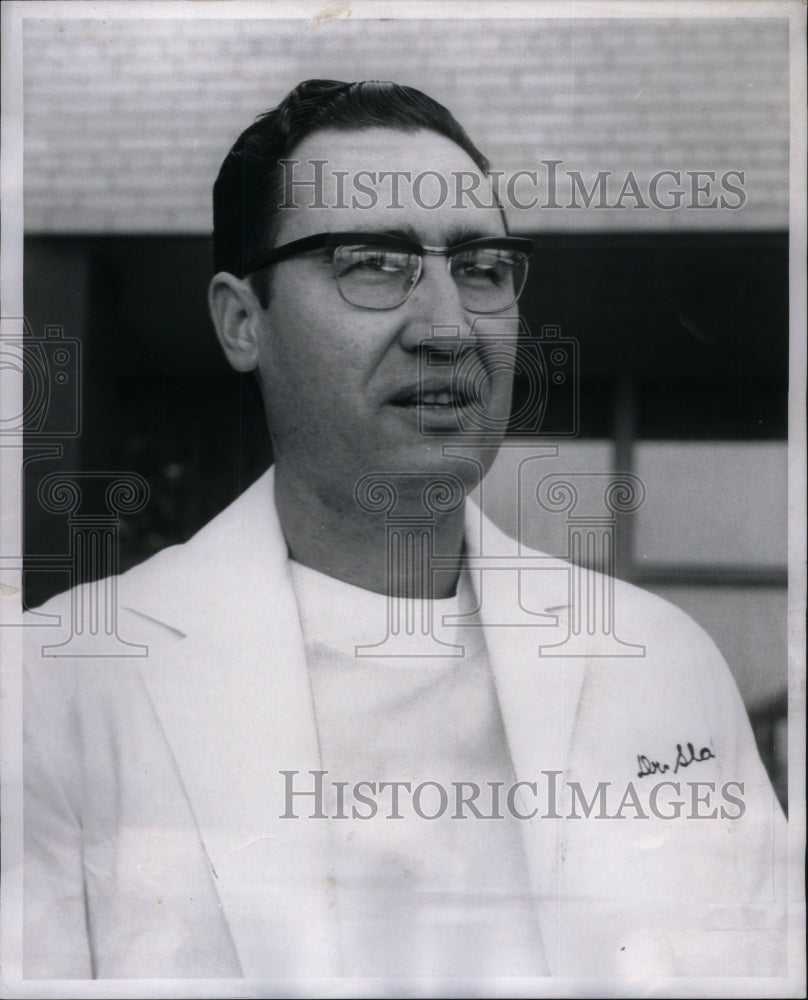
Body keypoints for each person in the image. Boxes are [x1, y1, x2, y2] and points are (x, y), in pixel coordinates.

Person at [23, 80, 786, 984]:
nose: (449, 328)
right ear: (241, 320)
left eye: (482, 269)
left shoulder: (662, 664)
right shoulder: (59, 683)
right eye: (372, 263)